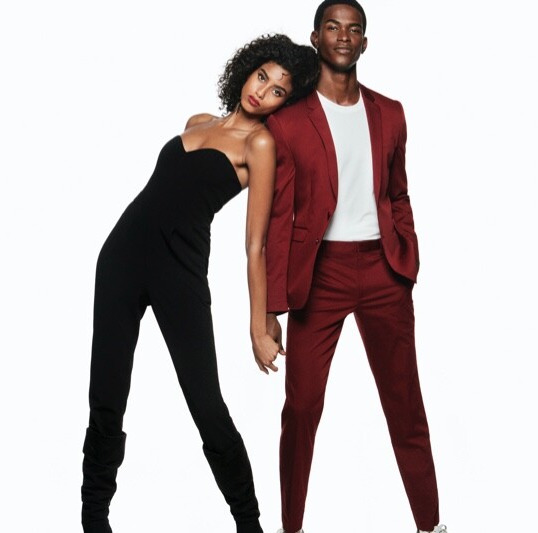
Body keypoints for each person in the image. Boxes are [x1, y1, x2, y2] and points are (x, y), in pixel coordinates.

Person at [80, 34, 319, 533]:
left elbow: (255, 244)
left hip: (180, 271)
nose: (262, 91)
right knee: (106, 394)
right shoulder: (198, 122)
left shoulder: (259, 145)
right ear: (247, 68)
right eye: (262, 76)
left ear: (286, 104)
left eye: (278, 90)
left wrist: (259, 325)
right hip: (120, 258)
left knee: (206, 405)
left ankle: (249, 524)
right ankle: (94, 518)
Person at [262, 2, 446, 533]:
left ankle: (431, 525)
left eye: (354, 29)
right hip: (319, 274)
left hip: (385, 271)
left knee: (405, 404)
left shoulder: (391, 112)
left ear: (364, 42)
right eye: (333, 27)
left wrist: (407, 256)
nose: (343, 36)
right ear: (316, 38)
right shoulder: (288, 122)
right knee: (301, 408)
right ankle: (290, 527)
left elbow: (399, 192)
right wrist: (272, 308)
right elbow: (278, 220)